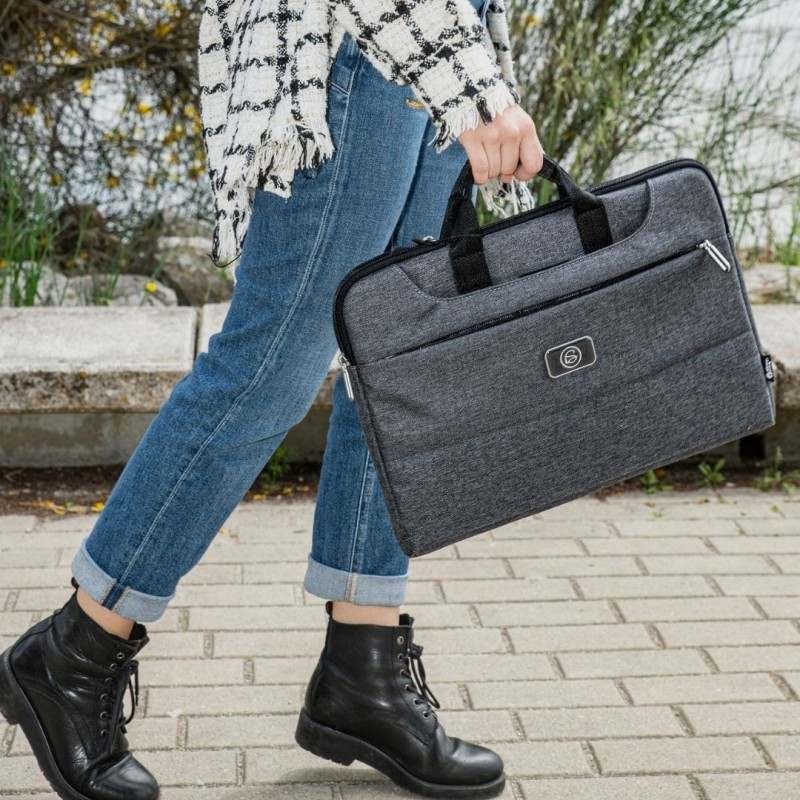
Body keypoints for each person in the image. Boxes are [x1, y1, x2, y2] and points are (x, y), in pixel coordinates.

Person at [0, 1, 543, 797]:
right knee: (267, 370)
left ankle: (363, 672)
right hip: (353, 47)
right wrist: (477, 90)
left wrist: (471, 67)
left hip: (437, 45)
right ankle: (74, 651)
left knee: (391, 360)